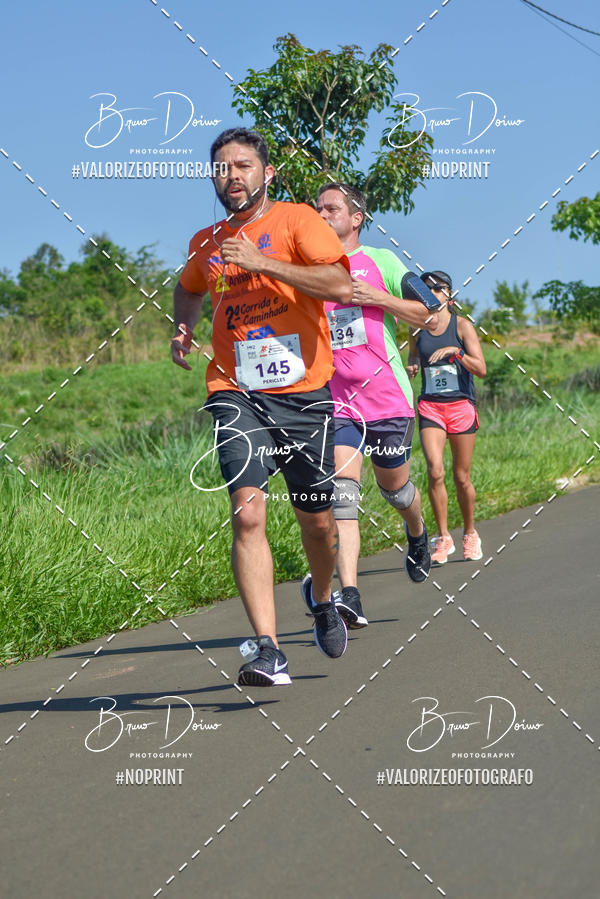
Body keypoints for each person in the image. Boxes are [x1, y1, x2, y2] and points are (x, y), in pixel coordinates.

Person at [171, 128, 353, 687]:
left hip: (303, 394)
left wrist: (262, 261)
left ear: (267, 173)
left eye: (243, 165)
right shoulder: (207, 241)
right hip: (235, 392)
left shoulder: (298, 220)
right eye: (222, 168)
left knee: (318, 522)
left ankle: (322, 599)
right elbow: (189, 286)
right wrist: (184, 326)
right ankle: (268, 650)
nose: (232, 176)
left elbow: (340, 286)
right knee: (248, 513)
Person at [315, 183, 439, 630]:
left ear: (355, 218)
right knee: (343, 498)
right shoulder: (310, 271)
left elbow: (430, 314)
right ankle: (350, 595)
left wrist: (380, 298)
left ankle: (417, 530)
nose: (323, 214)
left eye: (332, 208)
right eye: (318, 209)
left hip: (387, 398)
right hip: (338, 401)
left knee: (395, 490)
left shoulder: (381, 261)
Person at [407, 271, 487, 564]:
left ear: (449, 296)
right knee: (435, 470)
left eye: (436, 288)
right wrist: (413, 365)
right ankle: (443, 537)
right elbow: (414, 357)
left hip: (460, 406)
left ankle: (470, 533)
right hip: (430, 406)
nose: (430, 292)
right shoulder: (417, 329)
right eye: (424, 289)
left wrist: (456, 352)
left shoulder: (462, 326)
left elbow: (481, 368)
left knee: (461, 476)